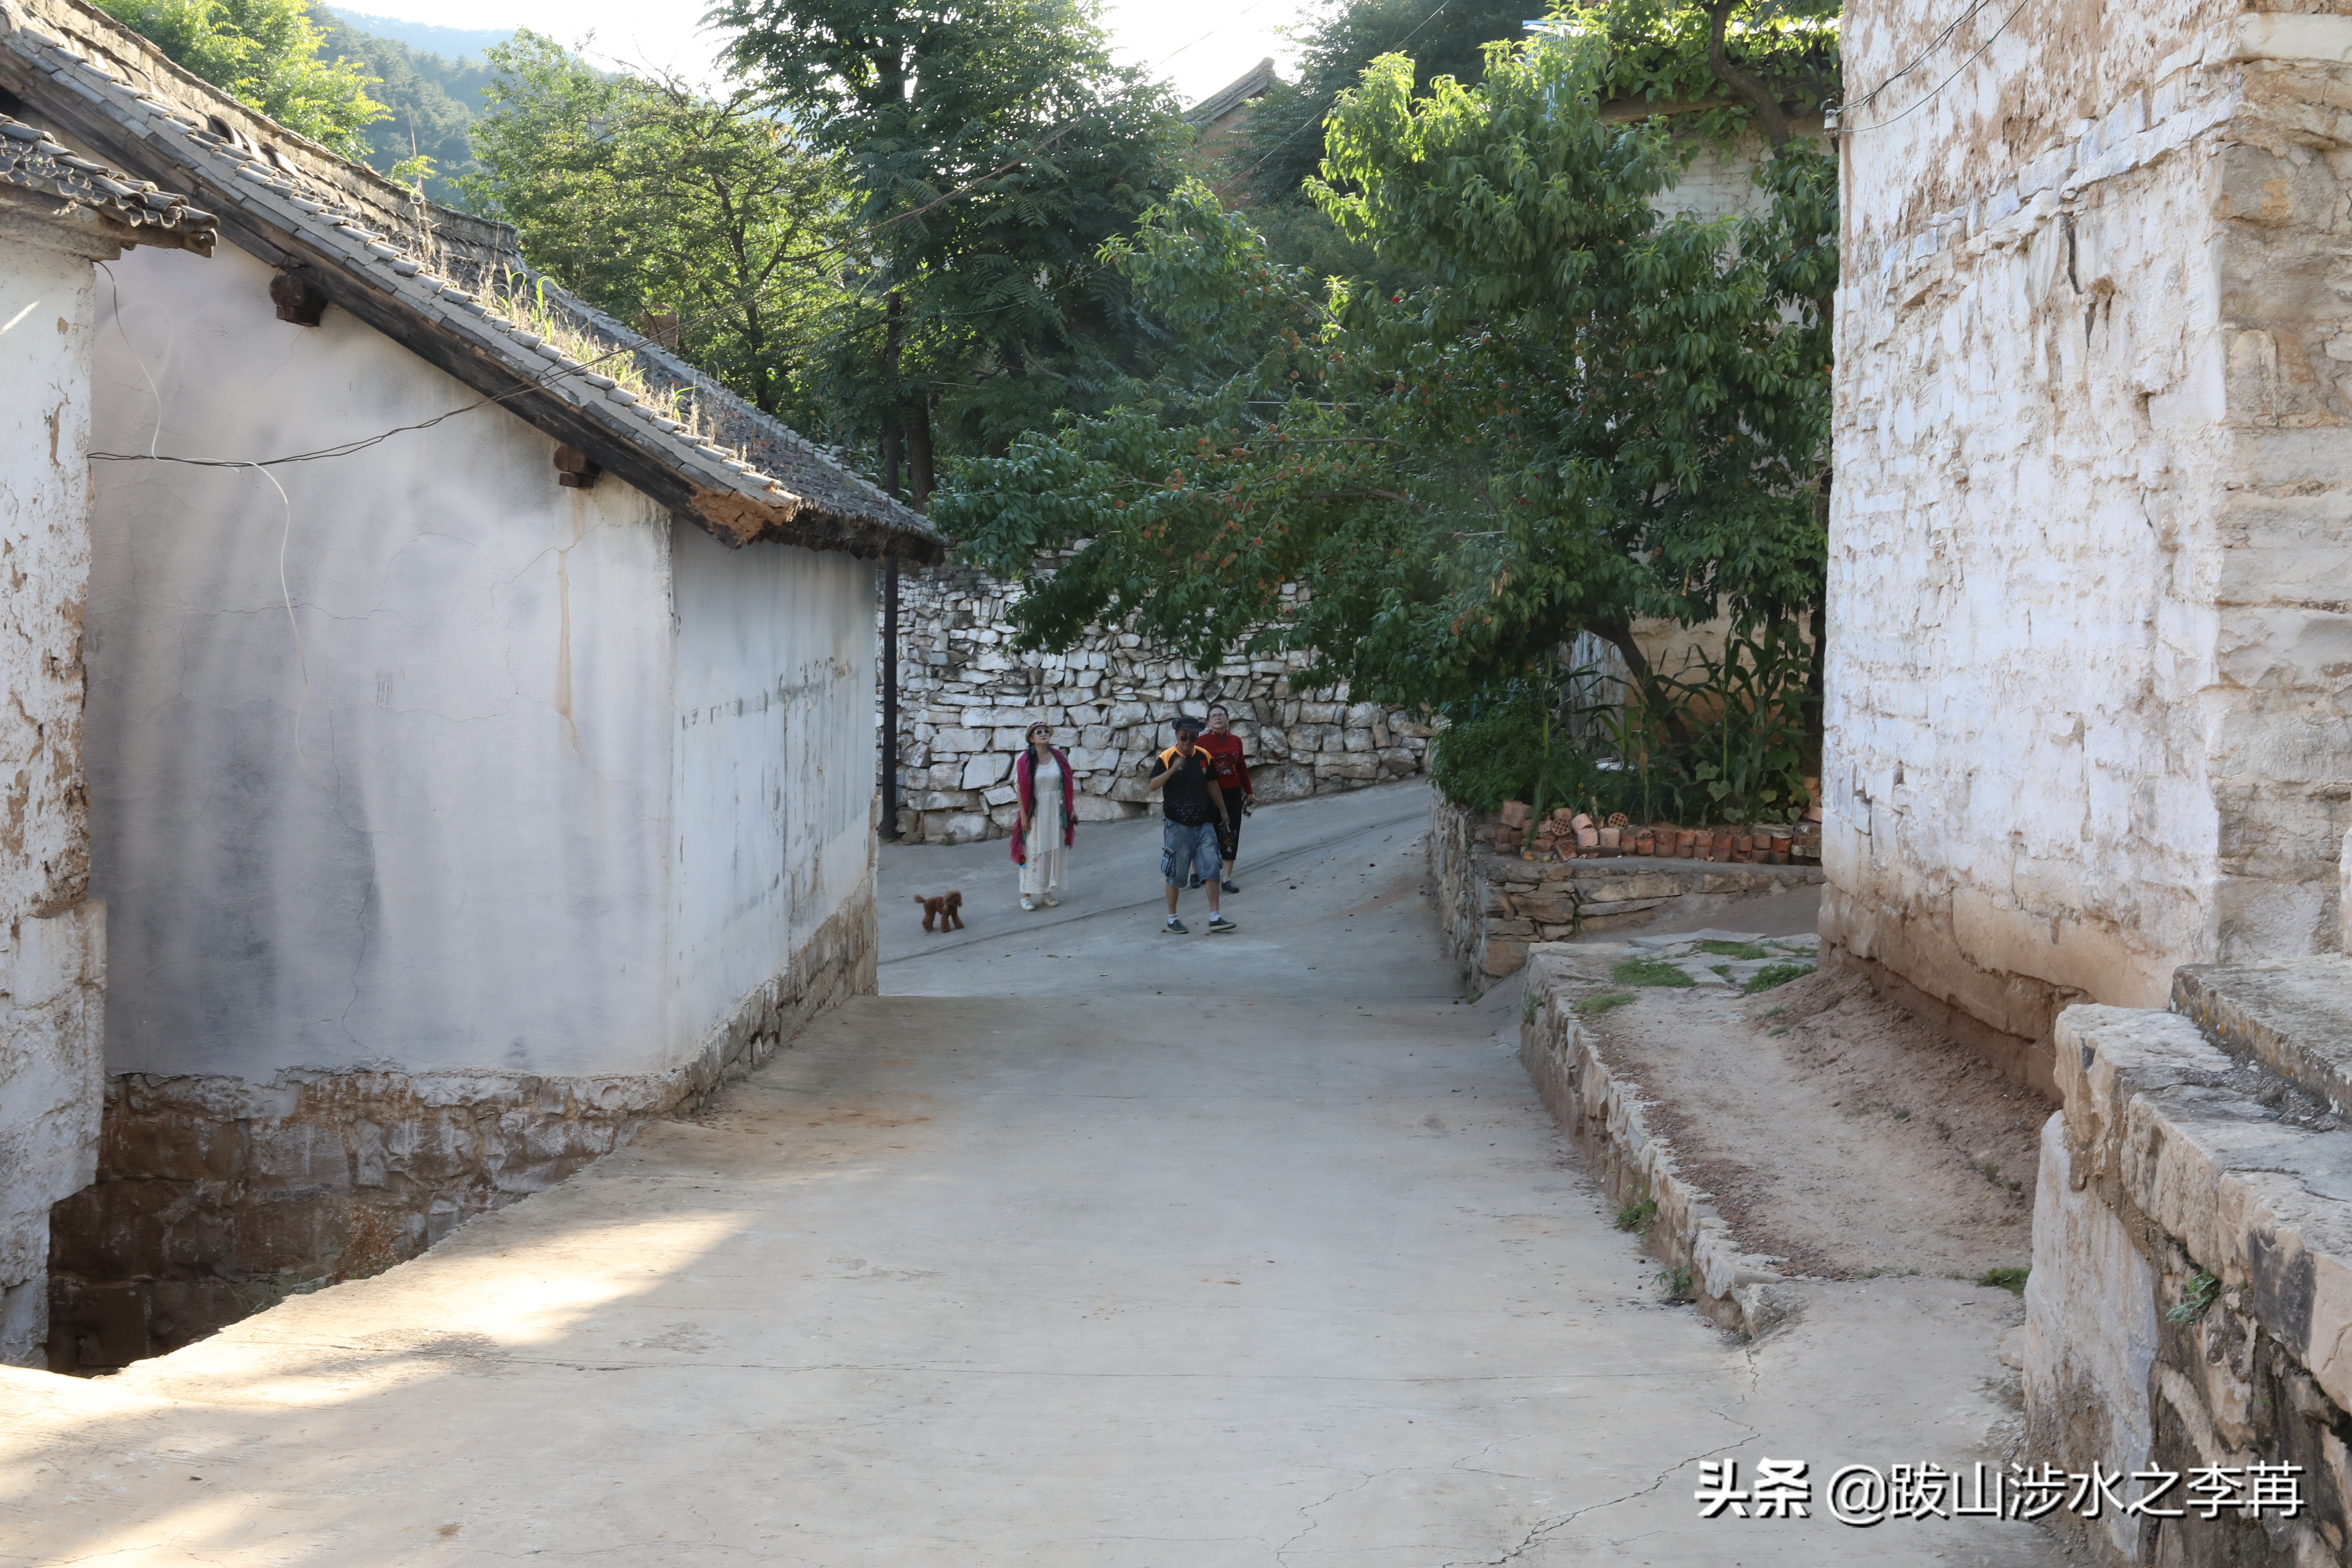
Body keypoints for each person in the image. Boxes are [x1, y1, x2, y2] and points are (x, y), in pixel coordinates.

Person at [1144, 715, 1237, 934]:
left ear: (1197, 737)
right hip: (1177, 825)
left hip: (1204, 823)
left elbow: (1212, 783)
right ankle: (1172, 918)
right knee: (1176, 873)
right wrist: (1173, 769)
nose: (1188, 741)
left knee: (1212, 867)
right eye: (1184, 737)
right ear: (1177, 736)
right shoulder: (1166, 758)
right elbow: (1152, 786)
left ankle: (1215, 917)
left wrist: (1223, 811)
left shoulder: (1204, 756)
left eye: (1192, 737)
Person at [1011, 720, 1075, 912]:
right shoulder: (1024, 761)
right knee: (1032, 851)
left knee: (1051, 849)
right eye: (1039, 732)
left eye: (1047, 731)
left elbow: (1067, 784)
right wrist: (1024, 817)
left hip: (1055, 809)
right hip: (1035, 812)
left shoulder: (1058, 758)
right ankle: (1026, 895)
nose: (1044, 734)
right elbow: (1020, 791)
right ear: (1031, 738)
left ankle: (1047, 891)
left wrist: (1072, 809)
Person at [1196, 702, 1253, 893]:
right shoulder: (1201, 743)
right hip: (1208, 794)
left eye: (1222, 715)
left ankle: (1227, 878)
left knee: (1231, 832)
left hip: (1232, 793)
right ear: (1208, 722)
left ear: (1228, 719)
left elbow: (1242, 768)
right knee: (1205, 832)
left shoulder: (1236, 740)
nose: (1218, 718)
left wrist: (1250, 792)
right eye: (1214, 716)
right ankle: (1197, 871)